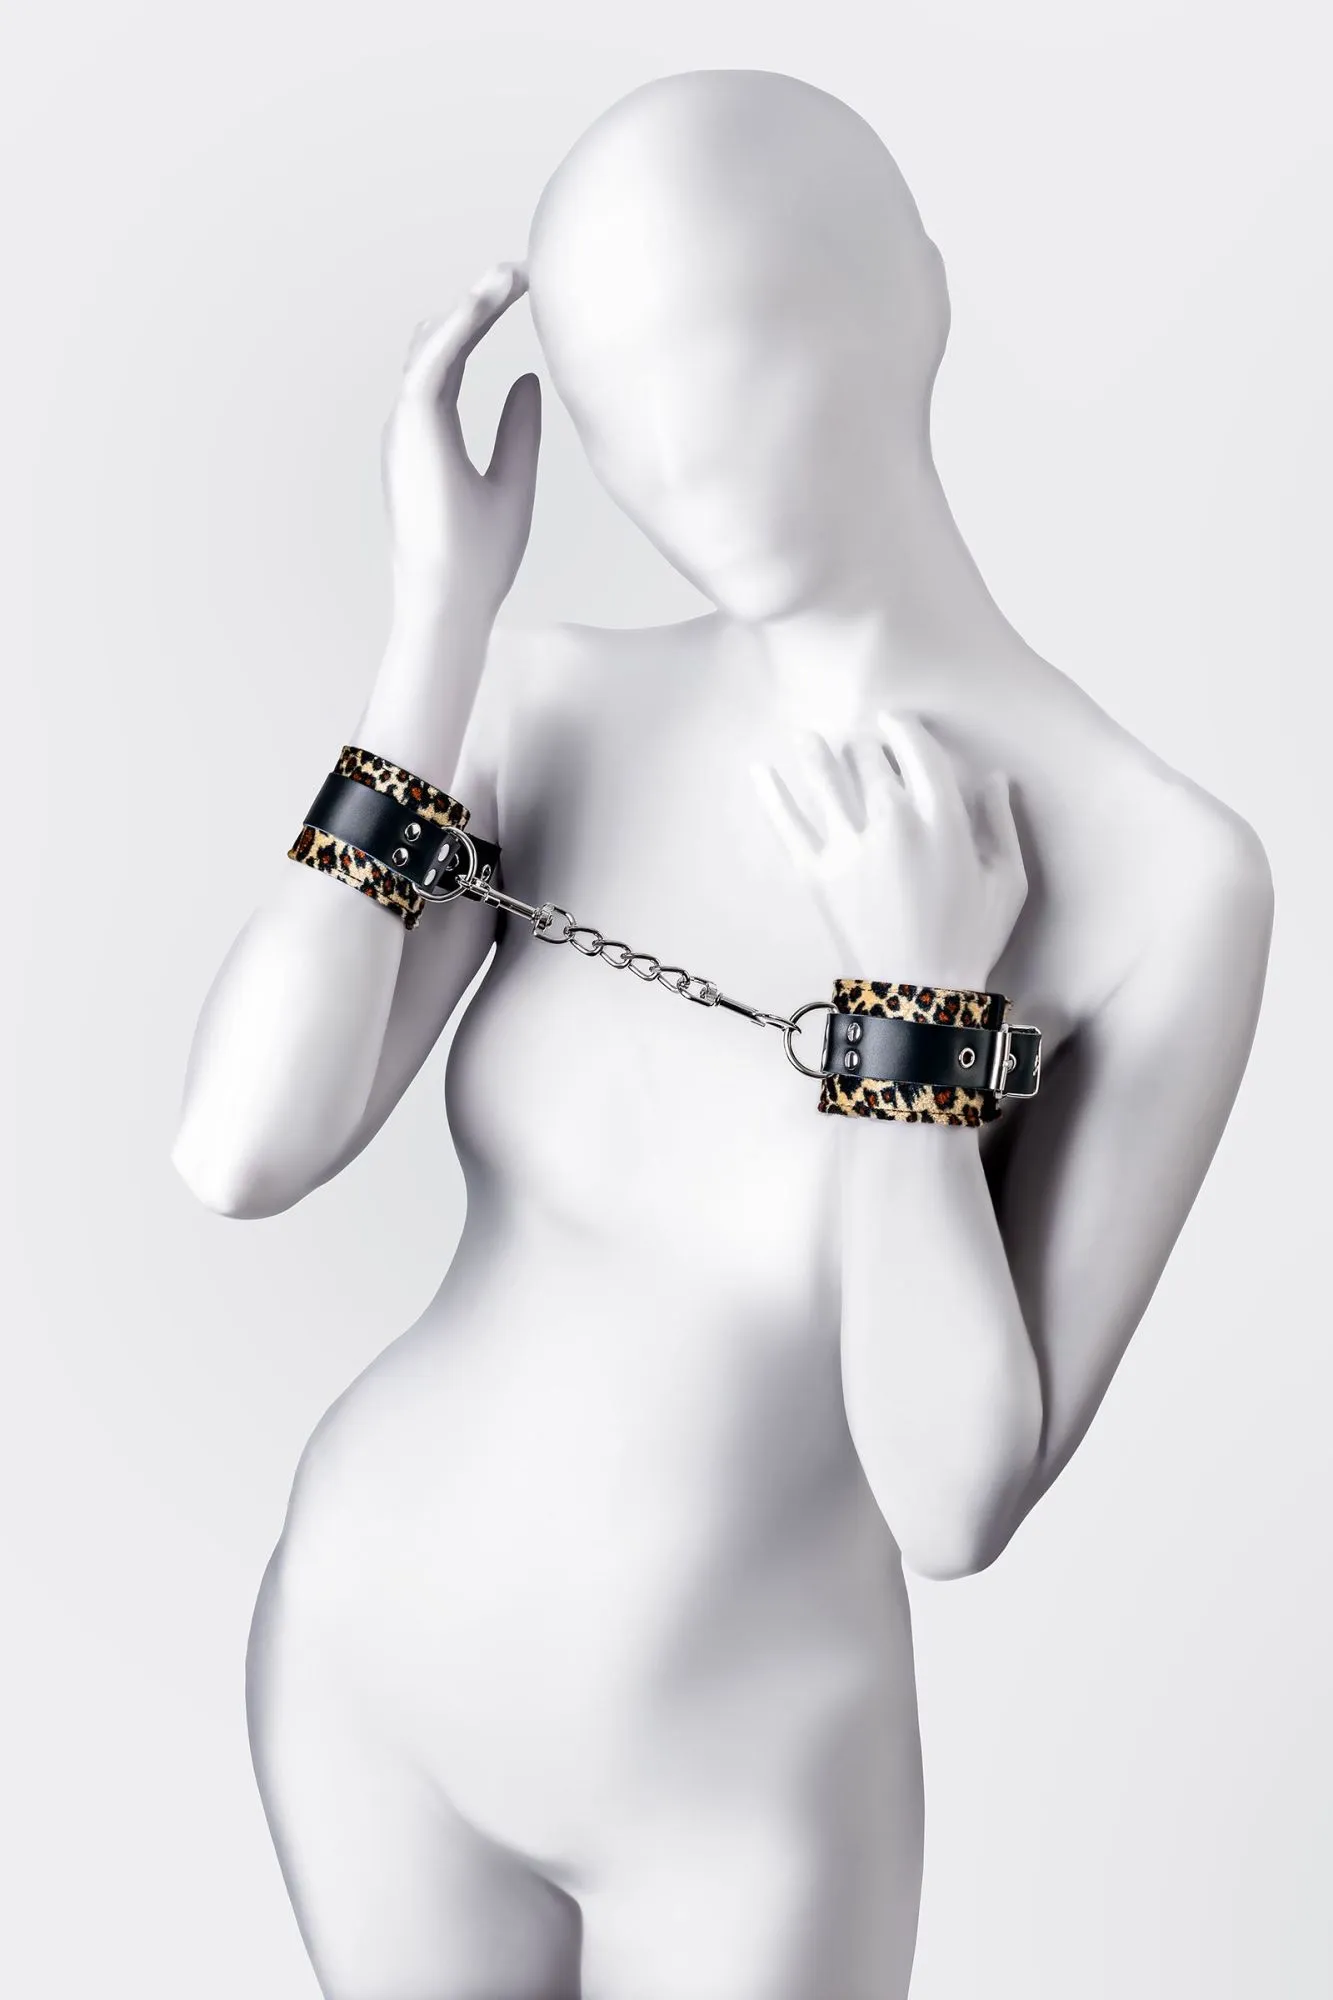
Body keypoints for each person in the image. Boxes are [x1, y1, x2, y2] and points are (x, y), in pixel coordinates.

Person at [172, 68, 1272, 2000]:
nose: (679, 453)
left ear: (909, 303)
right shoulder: (546, 706)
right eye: (615, 401)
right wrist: (435, 628)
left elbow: (951, 1499)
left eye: (731, 348)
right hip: (373, 1663)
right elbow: (239, 1152)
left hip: (744, 1784)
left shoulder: (1165, 878)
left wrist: (914, 1015)